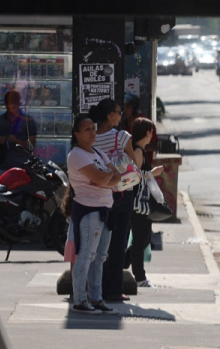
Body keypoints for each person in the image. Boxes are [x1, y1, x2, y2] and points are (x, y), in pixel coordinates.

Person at [66, 114, 120, 314]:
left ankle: (96, 299)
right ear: (77, 134)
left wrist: (104, 179)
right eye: (87, 129)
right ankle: (80, 300)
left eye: (94, 128)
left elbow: (117, 175)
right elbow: (101, 177)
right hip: (89, 210)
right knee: (86, 255)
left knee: (100, 257)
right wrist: (105, 178)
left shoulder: (97, 152)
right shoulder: (77, 154)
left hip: (105, 209)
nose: (92, 133)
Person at [89, 98, 137, 302]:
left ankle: (95, 288)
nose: (121, 115)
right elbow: (133, 163)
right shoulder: (122, 137)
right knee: (118, 243)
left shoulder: (90, 138)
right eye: (118, 112)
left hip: (98, 194)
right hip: (120, 194)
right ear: (111, 115)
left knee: (98, 244)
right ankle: (114, 290)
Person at [127, 117, 164, 288]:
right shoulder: (138, 151)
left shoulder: (139, 149)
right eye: (151, 132)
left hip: (140, 203)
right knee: (140, 241)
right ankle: (140, 277)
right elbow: (137, 176)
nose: (152, 136)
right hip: (137, 203)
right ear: (146, 133)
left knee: (142, 240)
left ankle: (120, 264)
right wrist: (153, 173)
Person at [0, 90, 37, 180]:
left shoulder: (28, 121)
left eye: (13, 108)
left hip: (22, 166)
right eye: (8, 108)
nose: (11, 111)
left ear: (18, 105)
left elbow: (31, 145)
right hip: (2, 165)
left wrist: (17, 141)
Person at [123, 92, 158, 165]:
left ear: (134, 108)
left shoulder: (145, 124)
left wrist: (136, 146)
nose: (125, 110)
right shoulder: (122, 124)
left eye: (128, 107)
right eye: (123, 107)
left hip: (144, 166)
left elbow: (153, 146)